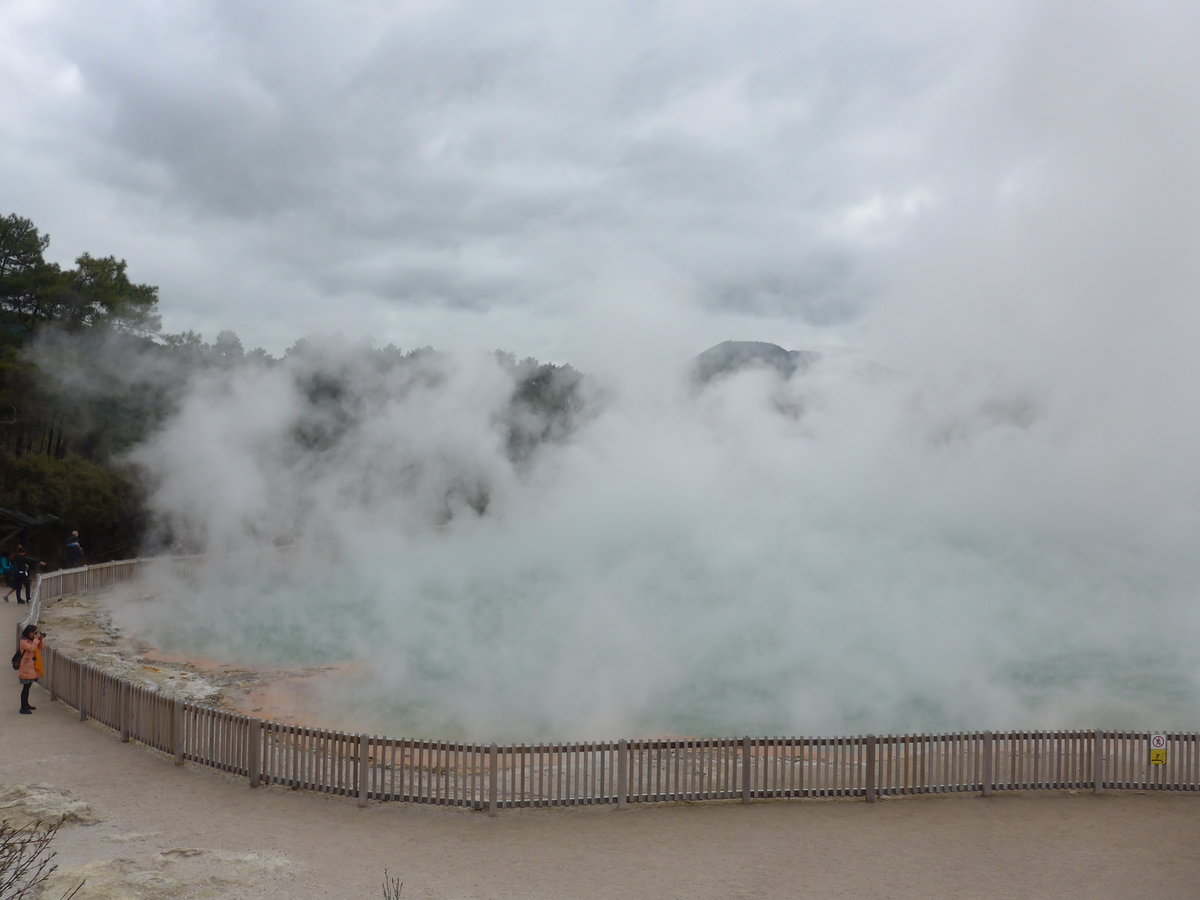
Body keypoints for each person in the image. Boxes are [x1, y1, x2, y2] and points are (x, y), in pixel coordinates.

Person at [16, 624, 44, 714]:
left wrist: (40, 639)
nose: (35, 634)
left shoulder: (31, 640)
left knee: (28, 687)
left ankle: (26, 705)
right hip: (26, 668)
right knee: (25, 688)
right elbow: (31, 648)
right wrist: (36, 639)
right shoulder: (23, 641)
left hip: (31, 668)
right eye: (34, 633)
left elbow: (41, 647)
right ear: (29, 632)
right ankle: (22, 708)